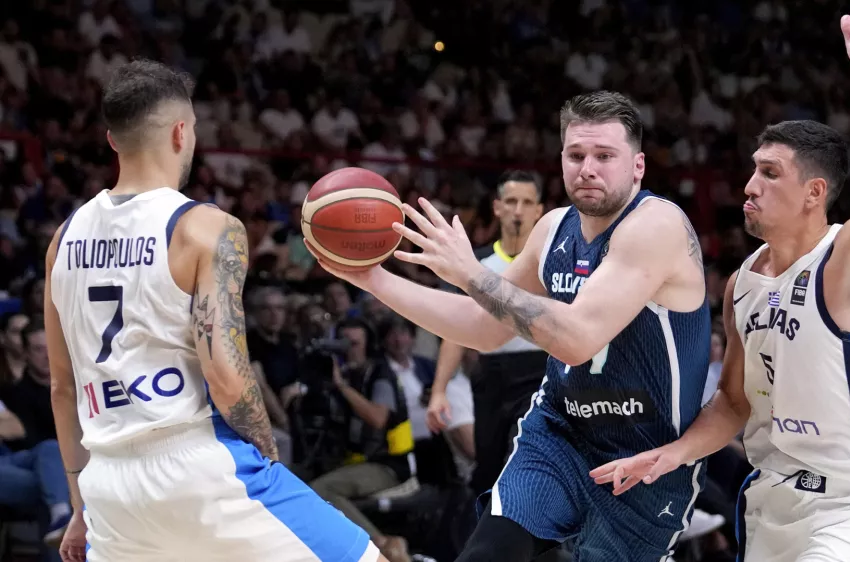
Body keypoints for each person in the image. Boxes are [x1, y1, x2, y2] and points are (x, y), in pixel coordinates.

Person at [591, 2, 850, 560]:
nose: (750, 184)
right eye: (754, 168)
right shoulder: (741, 283)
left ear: (815, 193)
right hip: (774, 503)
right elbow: (735, 403)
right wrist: (669, 454)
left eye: (770, 172)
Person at [306, 89, 711, 561]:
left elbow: (577, 338)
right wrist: (374, 279)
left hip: (646, 455)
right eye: (576, 154)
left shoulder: (656, 226)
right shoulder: (552, 229)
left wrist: (470, 272)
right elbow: (483, 327)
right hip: (561, 434)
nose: (588, 168)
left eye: (605, 156)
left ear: (638, 166)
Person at [43, 59, 388, 562]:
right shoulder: (205, 227)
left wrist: (79, 507)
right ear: (182, 132)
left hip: (109, 488)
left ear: (114, 139)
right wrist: (266, 454)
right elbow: (226, 376)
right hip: (198, 465)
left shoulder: (62, 239)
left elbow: (62, 386)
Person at [426, 170, 547, 495]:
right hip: (492, 375)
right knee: (489, 469)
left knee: (524, 464)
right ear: (497, 208)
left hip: (543, 373)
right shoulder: (476, 263)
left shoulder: (553, 263)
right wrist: (439, 390)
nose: (518, 210)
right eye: (511, 201)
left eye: (526, 202)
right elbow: (456, 328)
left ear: (539, 211)